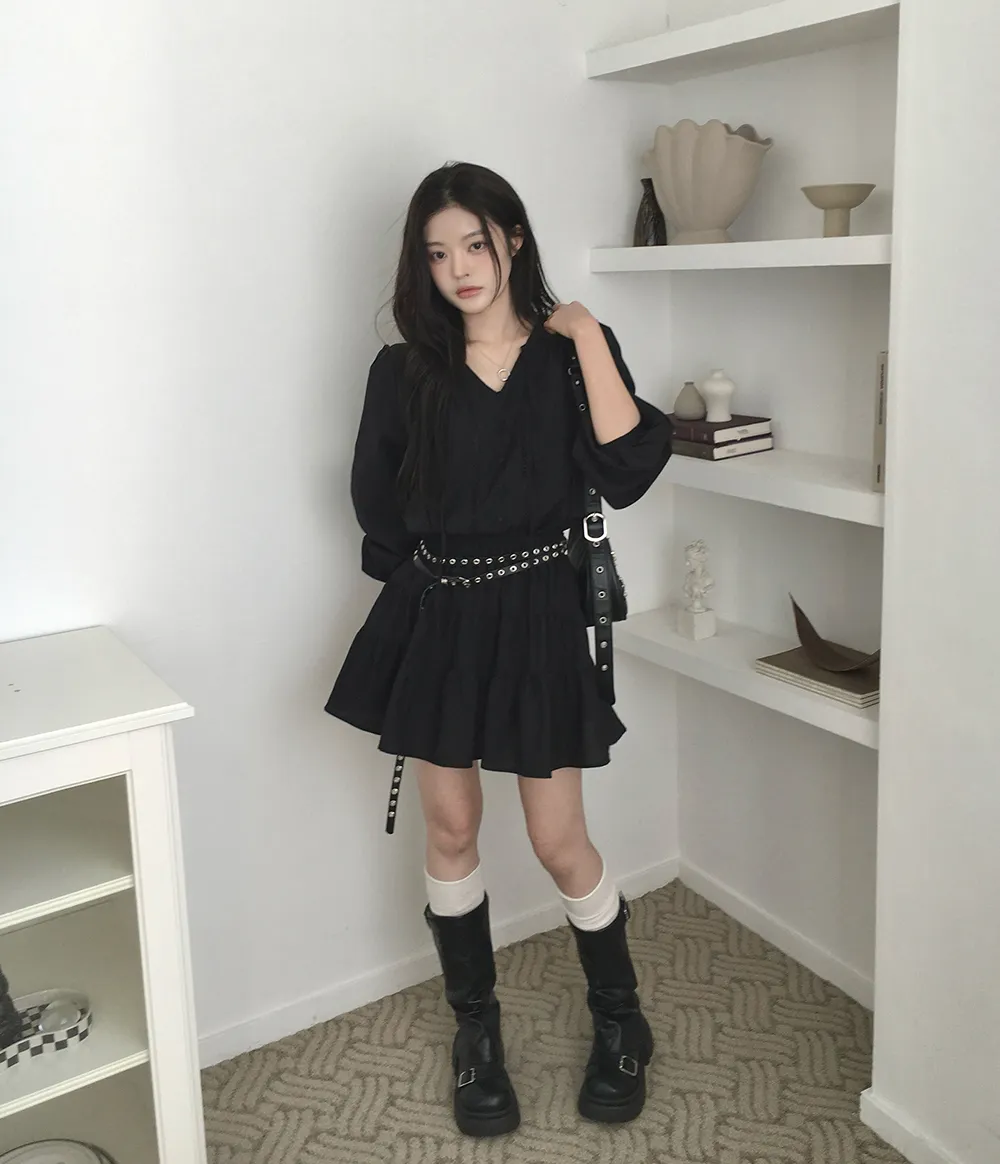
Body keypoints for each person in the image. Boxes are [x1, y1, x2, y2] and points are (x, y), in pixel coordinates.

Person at [325, 161, 672, 1137]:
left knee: (559, 840)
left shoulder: (567, 355)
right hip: (443, 614)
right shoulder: (402, 372)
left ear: (512, 240)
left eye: (475, 245)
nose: (459, 270)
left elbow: (627, 466)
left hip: (540, 615)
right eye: (438, 254)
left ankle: (621, 1017)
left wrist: (587, 333)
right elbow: (375, 501)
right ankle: (475, 1032)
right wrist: (430, 581)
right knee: (450, 828)